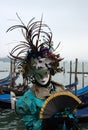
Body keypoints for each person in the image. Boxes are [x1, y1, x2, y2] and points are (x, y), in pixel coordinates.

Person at [7, 16, 65, 130]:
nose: (43, 78)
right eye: (38, 74)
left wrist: (67, 120)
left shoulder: (60, 90)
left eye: (45, 73)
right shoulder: (28, 99)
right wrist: (45, 124)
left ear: (51, 71)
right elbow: (29, 125)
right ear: (33, 75)